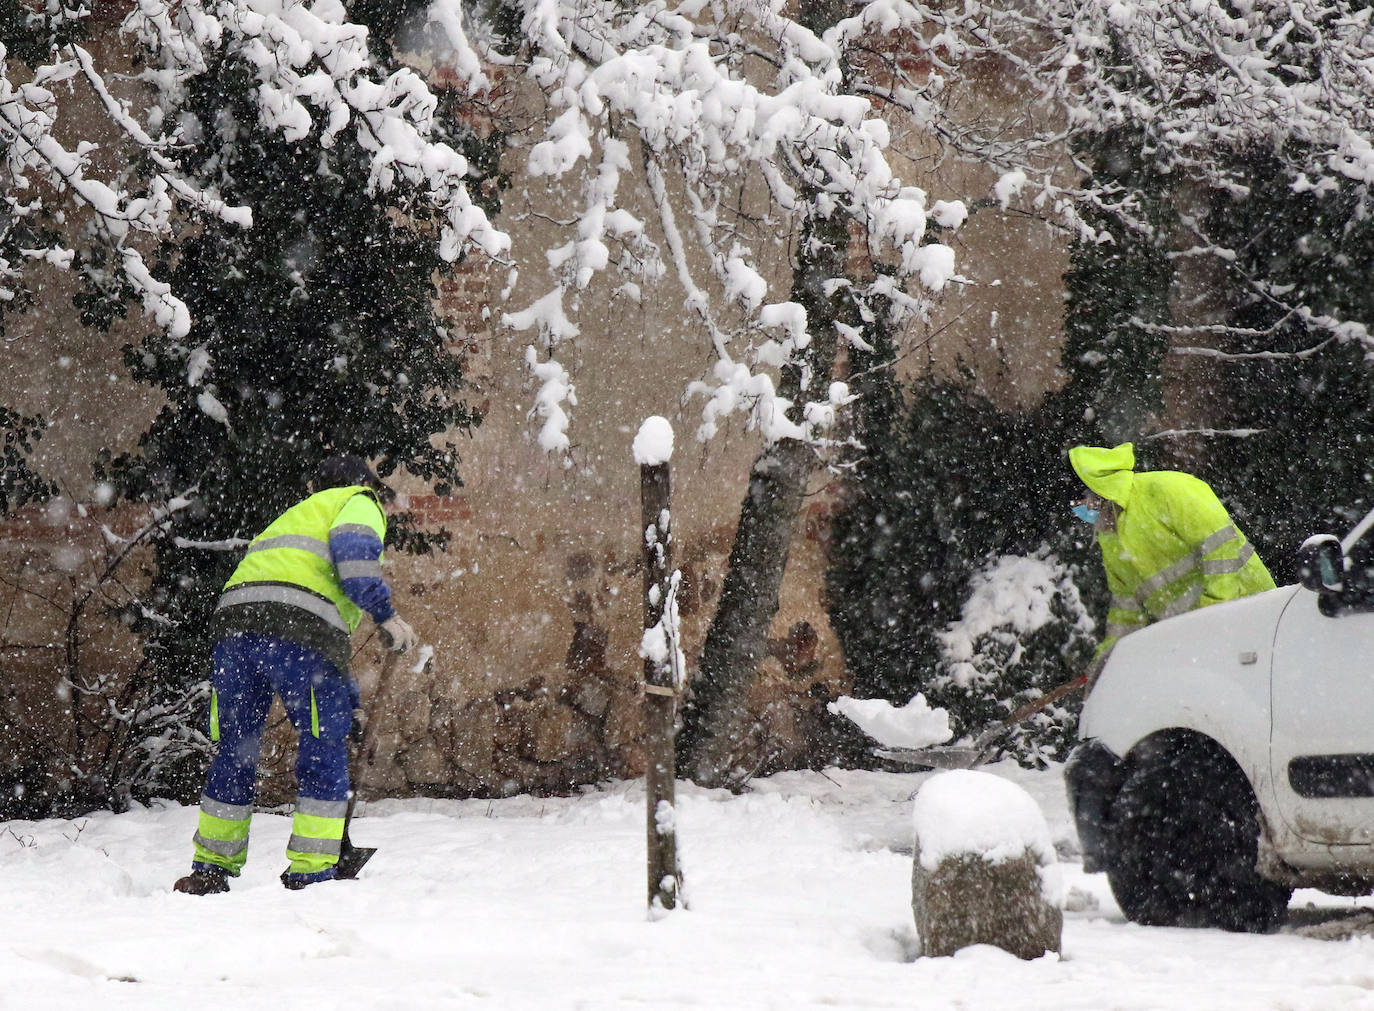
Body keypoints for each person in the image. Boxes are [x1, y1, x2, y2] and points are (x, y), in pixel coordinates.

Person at [173, 455, 419, 895]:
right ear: (364, 483)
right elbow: (355, 564)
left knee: (235, 749)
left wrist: (352, 705)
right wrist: (386, 615)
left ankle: (210, 868)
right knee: (322, 744)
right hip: (297, 633)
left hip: (235, 630)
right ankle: (312, 870)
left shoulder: (296, 515)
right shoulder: (359, 500)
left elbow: (316, 634)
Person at [1069, 442, 1275, 667]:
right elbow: (1125, 606)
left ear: (1097, 491)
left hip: (1251, 608)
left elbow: (1220, 544)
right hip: (1199, 640)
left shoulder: (1165, 490)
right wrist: (1108, 659)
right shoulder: (1111, 540)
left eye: (1078, 503)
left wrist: (1215, 612)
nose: (1078, 511)